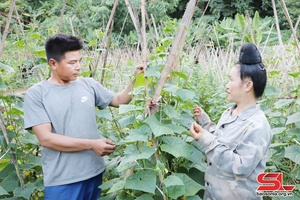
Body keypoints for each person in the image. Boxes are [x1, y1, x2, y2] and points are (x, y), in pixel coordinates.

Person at [23, 34, 144, 200]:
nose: (78, 67)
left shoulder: (88, 85)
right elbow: (46, 139)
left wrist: (135, 78)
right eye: (72, 63)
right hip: (63, 179)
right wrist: (92, 144)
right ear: (53, 63)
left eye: (80, 61)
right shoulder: (37, 94)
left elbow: (118, 100)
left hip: (94, 172)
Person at [190, 43, 272, 200]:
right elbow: (221, 140)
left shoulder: (257, 125)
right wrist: (205, 123)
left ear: (248, 85)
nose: (227, 85)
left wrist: (206, 140)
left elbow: (241, 166)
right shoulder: (230, 113)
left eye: (231, 80)